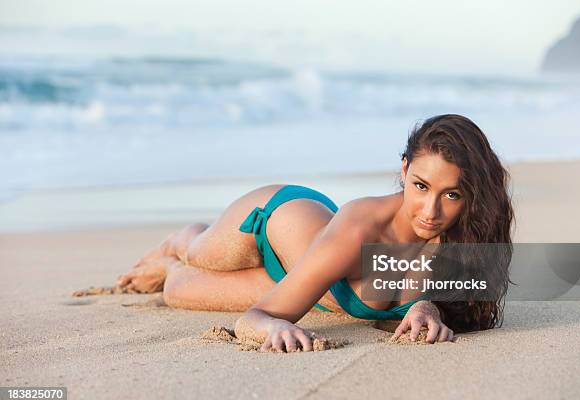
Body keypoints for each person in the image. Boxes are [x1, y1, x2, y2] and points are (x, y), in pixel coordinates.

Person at [116, 114, 514, 352]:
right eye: (421, 186)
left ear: (471, 196)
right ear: (406, 169)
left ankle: (167, 265)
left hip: (302, 277)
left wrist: (428, 307)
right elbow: (254, 319)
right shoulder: (361, 230)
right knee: (200, 254)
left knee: (175, 289)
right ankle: (180, 239)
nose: (431, 211)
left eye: (452, 194)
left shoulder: (462, 243)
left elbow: (428, 307)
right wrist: (273, 326)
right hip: (272, 222)